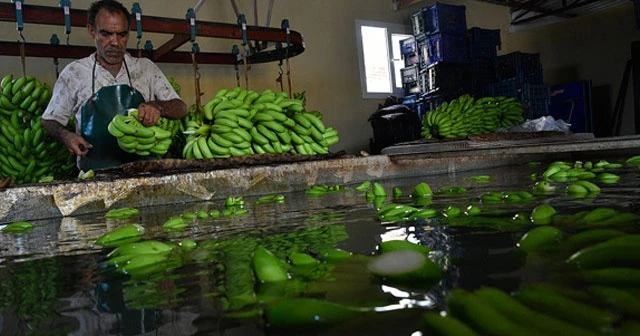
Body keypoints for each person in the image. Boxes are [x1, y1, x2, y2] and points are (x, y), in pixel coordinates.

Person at [42, 0, 188, 170]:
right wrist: (66, 136)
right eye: (106, 34)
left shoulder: (145, 68)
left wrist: (159, 107)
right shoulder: (74, 73)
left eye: (122, 34)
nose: (115, 42)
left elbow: (181, 108)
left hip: (146, 173)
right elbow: (50, 120)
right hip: (96, 177)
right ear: (92, 31)